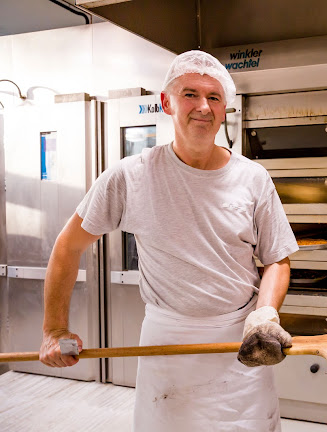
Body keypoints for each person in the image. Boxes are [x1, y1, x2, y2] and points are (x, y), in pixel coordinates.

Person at [39, 50, 299, 431]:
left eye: (214, 97)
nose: (203, 107)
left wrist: (264, 316)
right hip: (167, 341)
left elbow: (277, 258)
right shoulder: (130, 177)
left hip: (241, 344)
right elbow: (68, 246)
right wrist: (54, 329)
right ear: (166, 102)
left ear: (225, 108)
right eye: (190, 94)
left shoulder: (253, 178)